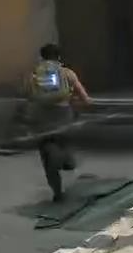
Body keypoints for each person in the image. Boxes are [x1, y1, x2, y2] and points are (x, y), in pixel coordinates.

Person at [24, 43, 92, 202]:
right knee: (65, 142)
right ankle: (66, 160)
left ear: (41, 57)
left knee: (46, 155)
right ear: (58, 57)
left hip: (40, 117)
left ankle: (57, 191)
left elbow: (29, 95)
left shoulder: (34, 75)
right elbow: (85, 98)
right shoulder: (67, 73)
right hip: (63, 115)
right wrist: (82, 102)